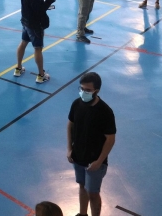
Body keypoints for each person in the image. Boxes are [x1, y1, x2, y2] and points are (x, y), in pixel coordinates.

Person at [67, 72, 116, 216]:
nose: (83, 92)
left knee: (93, 193)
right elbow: (70, 125)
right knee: (82, 186)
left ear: (97, 91)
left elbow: (110, 139)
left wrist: (99, 162)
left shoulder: (105, 112)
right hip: (78, 157)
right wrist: (70, 148)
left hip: (94, 161)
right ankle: (82, 214)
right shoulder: (77, 104)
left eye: (88, 90)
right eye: (81, 89)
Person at [16, 0, 55, 83]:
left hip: (26, 22)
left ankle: (18, 68)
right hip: (35, 25)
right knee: (38, 48)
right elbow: (39, 10)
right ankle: (41, 75)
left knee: (23, 43)